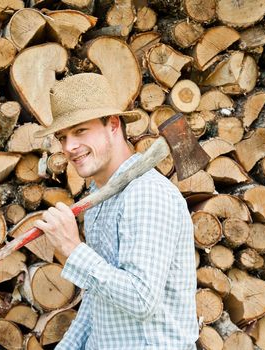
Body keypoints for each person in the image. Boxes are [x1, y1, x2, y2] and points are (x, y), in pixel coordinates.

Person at [33, 73, 199, 349]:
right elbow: (98, 301)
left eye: (80, 131)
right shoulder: (100, 200)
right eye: (62, 137)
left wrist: (73, 250)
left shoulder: (146, 194)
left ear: (112, 124)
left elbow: (141, 299)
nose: (69, 147)